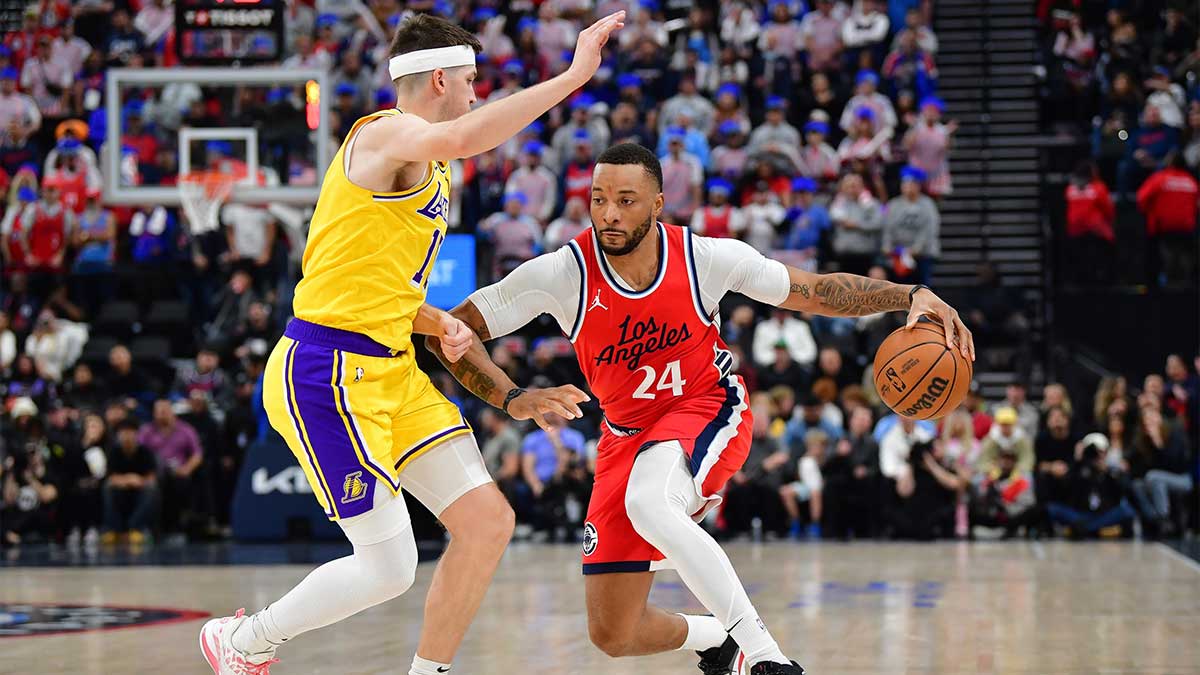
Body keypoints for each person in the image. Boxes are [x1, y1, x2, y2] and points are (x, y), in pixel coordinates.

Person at [438, 143, 973, 674]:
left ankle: (766, 659)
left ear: (658, 205)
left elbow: (813, 291)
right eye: (599, 198)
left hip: (707, 405)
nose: (609, 213)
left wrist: (909, 295)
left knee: (650, 501)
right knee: (614, 633)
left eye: (626, 200)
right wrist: (510, 395)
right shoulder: (564, 272)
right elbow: (452, 331)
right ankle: (718, 638)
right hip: (625, 434)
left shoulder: (705, 258)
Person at [199, 12, 621, 675]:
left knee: (488, 522)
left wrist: (434, 322)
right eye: (473, 81)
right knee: (391, 566)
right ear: (441, 79)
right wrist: (572, 76)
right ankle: (243, 641)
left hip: (390, 365)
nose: (478, 93)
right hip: (324, 372)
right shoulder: (389, 134)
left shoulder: (424, 162)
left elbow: (369, 277)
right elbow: (463, 134)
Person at [101, 419, 158, 545]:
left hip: (140, 488)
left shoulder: (145, 452)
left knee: (152, 489)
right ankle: (113, 529)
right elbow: (111, 477)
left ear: (136, 434)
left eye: (130, 432)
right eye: (123, 433)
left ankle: (136, 528)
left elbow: (151, 477)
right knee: (107, 487)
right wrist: (128, 479)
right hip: (120, 488)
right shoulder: (114, 452)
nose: (127, 436)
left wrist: (139, 480)